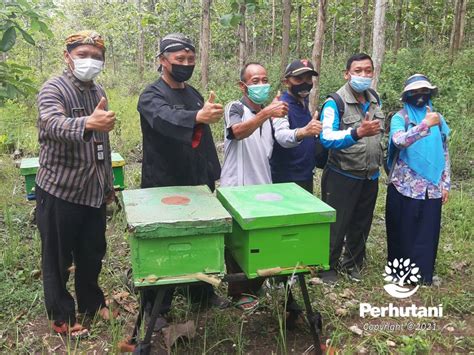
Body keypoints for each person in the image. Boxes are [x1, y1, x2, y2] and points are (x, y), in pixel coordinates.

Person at [137, 33, 227, 322]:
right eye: (179, 59)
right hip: (163, 181)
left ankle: (200, 294)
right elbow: (163, 120)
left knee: (199, 236)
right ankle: (157, 306)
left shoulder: (194, 93)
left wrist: (212, 172)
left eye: (190, 59)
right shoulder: (151, 96)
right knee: (165, 243)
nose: (186, 64)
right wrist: (197, 117)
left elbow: (205, 140)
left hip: (197, 180)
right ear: (163, 61)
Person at [220, 62, 321, 311]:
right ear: (242, 85)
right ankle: (237, 292)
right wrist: (266, 113)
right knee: (236, 243)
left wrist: (303, 131)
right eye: (255, 80)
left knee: (259, 239)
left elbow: (284, 138)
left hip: (262, 185)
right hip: (237, 185)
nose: (261, 84)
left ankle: (256, 286)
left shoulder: (272, 113)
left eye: (264, 79)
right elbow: (236, 132)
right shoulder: (235, 107)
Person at [36, 30, 116, 338]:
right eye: (83, 55)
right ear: (67, 56)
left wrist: (107, 184)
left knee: (92, 252)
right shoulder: (52, 89)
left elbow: (102, 143)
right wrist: (86, 123)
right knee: (57, 258)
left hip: (92, 189)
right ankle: (61, 317)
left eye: (97, 57)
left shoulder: (98, 91)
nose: (90, 62)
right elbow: (51, 123)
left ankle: (92, 303)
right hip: (60, 189)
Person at [319, 53, 384, 283]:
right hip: (341, 173)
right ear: (347, 74)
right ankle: (327, 267)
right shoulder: (334, 102)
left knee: (361, 222)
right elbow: (326, 138)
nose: (363, 75)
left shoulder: (375, 99)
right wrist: (357, 132)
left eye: (368, 71)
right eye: (358, 71)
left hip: (370, 174)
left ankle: (354, 264)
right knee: (336, 224)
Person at [386, 74, 450, 286]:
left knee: (428, 231)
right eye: (414, 92)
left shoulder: (437, 118)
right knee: (402, 229)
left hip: (432, 187)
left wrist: (445, 183)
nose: (420, 96)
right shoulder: (400, 118)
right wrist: (424, 125)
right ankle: (400, 274)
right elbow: (399, 141)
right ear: (406, 96)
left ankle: (424, 274)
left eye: (424, 92)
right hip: (404, 185)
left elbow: (444, 151)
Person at [270, 59, 322, 193]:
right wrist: (304, 132)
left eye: (308, 79)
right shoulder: (281, 105)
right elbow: (281, 136)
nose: (304, 83)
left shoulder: (304, 102)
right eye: (298, 79)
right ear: (286, 82)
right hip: (286, 179)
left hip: (305, 175)